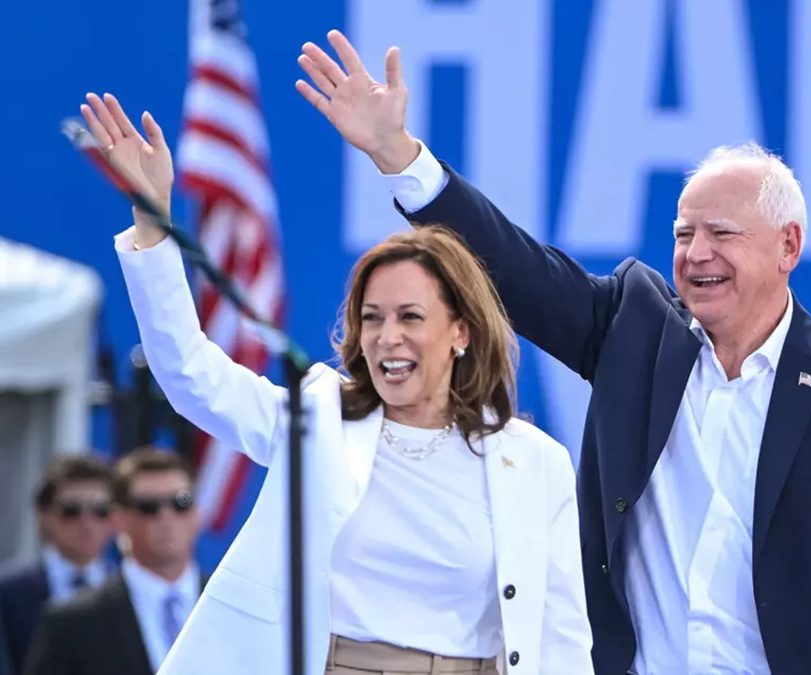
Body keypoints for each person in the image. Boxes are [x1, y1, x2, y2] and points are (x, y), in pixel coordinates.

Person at [294, 29, 811, 674]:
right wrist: (402, 160)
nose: (695, 254)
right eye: (684, 234)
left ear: (789, 246)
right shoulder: (635, 328)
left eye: (721, 233)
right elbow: (518, 266)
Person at [69, 92, 592, 675]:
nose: (386, 337)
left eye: (410, 318)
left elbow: (562, 634)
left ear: (461, 332)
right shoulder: (316, 419)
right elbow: (190, 373)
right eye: (372, 318)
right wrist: (153, 220)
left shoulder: (536, 462)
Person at [24, 447, 202, 675]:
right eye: (149, 507)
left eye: (181, 502)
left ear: (197, 512)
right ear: (119, 520)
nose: (166, 517)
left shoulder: (238, 603)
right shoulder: (72, 622)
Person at [0, 454, 114, 674]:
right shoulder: (8, 592)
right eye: (72, 510)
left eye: (100, 510)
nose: (87, 522)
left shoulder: (129, 589)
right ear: (44, 517)